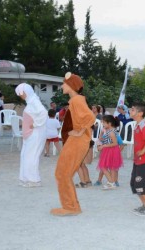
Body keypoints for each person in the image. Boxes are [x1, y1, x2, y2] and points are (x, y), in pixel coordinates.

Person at [51, 72, 95, 216]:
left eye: (64, 83)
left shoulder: (76, 100)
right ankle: (72, 206)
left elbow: (90, 117)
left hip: (77, 141)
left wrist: (79, 132)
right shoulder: (75, 100)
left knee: (62, 173)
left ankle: (70, 208)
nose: (62, 85)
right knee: (63, 173)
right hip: (76, 140)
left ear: (71, 85)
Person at [15, 83, 48, 188]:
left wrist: (35, 124)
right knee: (25, 156)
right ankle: (25, 178)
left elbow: (44, 113)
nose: (20, 95)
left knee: (31, 157)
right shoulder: (31, 101)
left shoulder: (34, 101)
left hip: (35, 134)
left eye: (20, 93)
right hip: (29, 134)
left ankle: (33, 180)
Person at [97, 115, 123, 190]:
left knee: (103, 166)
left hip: (111, 150)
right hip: (110, 150)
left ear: (110, 123)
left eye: (104, 123)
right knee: (111, 167)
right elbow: (106, 139)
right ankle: (111, 182)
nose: (103, 124)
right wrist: (102, 136)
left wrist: (103, 146)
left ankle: (111, 182)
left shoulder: (111, 132)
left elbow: (115, 143)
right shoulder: (110, 131)